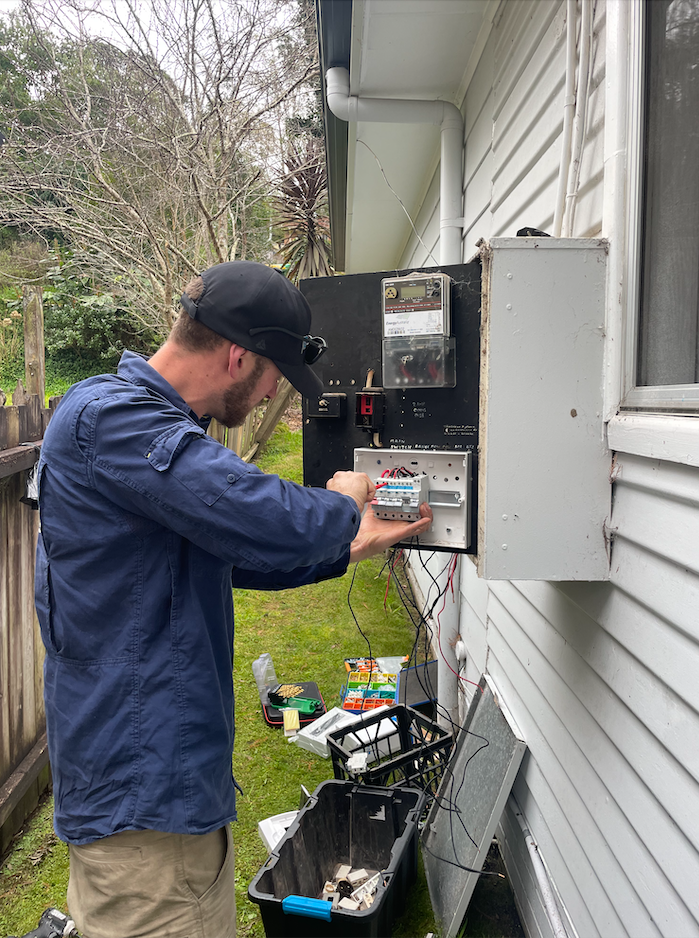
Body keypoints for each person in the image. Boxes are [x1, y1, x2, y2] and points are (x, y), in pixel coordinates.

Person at [35, 260, 432, 938]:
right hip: (143, 798)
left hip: (166, 784)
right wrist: (343, 503)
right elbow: (259, 513)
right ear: (238, 354)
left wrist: (346, 549)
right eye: (276, 372)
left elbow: (223, 558)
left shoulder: (139, 429)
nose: (274, 390)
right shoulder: (114, 418)